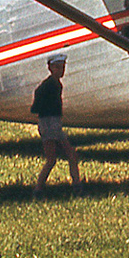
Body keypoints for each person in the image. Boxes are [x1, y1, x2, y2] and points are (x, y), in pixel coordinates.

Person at [31, 53, 81, 194]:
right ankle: (75, 185)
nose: (61, 70)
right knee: (66, 155)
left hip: (51, 123)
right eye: (58, 67)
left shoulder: (52, 85)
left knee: (55, 158)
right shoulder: (50, 86)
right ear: (51, 68)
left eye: (63, 67)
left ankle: (40, 188)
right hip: (50, 123)